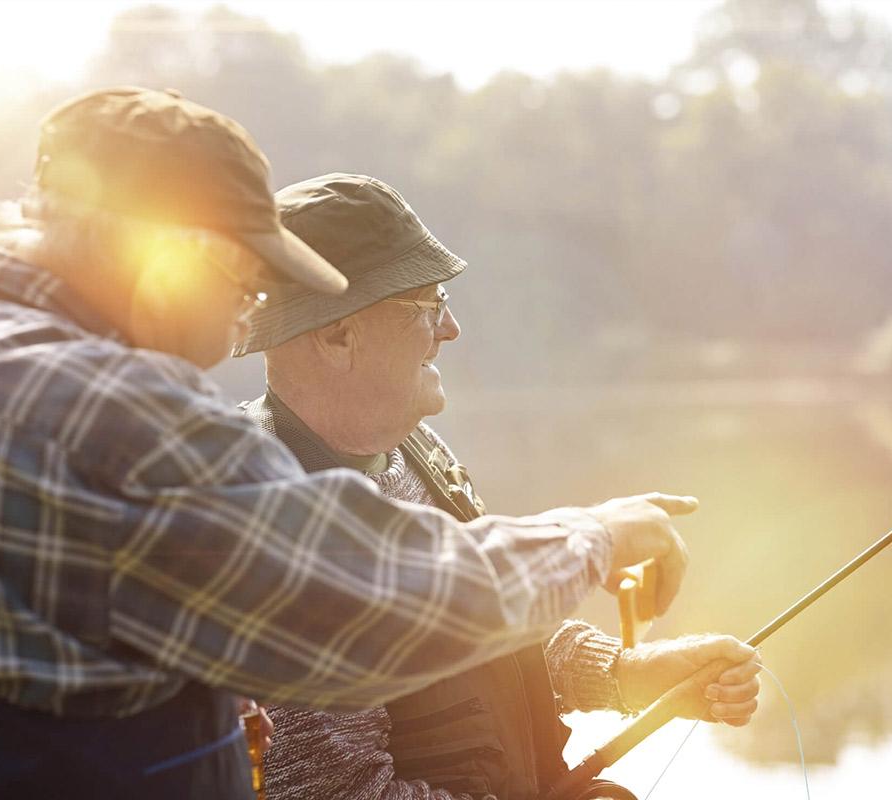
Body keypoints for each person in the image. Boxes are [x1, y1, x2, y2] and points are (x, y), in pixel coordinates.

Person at [0, 88, 708, 800]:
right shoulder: (98, 407)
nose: (243, 325)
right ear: (172, 257)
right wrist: (593, 538)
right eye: (245, 284)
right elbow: (361, 598)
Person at [233, 173, 762, 800]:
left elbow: (479, 622)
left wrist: (625, 675)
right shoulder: (262, 521)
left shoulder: (413, 450)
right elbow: (333, 791)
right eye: (427, 306)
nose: (451, 329)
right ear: (337, 335)